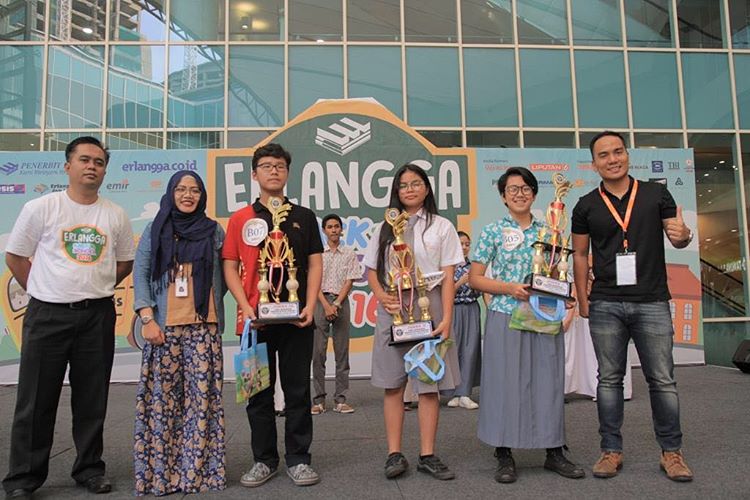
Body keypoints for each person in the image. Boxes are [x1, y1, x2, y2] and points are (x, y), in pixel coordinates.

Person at [2, 137, 135, 499]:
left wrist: (99, 284)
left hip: (97, 316)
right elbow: (15, 257)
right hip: (47, 315)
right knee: (35, 398)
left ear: (105, 169)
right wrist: (43, 288)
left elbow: (124, 263)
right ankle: (23, 478)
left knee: (92, 399)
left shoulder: (115, 214)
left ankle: (89, 469)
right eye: (85, 160)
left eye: (99, 162)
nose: (92, 166)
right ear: (68, 166)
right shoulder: (41, 207)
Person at [571, 130, 694, 482]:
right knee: (608, 380)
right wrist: (583, 300)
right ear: (594, 164)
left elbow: (679, 235)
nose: (613, 159)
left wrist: (683, 237)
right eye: (604, 155)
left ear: (627, 154)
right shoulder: (585, 205)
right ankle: (610, 451)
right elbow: (580, 254)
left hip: (652, 299)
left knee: (663, 380)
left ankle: (672, 452)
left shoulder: (656, 193)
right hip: (606, 301)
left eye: (618, 152)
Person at [469, 167, 584, 484]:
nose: (519, 194)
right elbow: (474, 277)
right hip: (506, 313)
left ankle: (554, 451)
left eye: (525, 188)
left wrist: (565, 296)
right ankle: (503, 452)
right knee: (503, 383)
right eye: (512, 189)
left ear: (534, 193)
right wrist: (509, 288)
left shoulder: (550, 231)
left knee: (548, 383)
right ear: (503, 196)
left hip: (544, 315)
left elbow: (558, 273)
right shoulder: (492, 231)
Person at [222, 143, 323, 488]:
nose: (274, 171)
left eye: (280, 165)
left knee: (297, 392)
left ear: (288, 172)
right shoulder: (240, 219)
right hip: (255, 323)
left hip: (297, 321)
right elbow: (230, 267)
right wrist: (246, 306)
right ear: (254, 174)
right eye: (266, 166)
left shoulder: (304, 217)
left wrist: (310, 305)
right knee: (258, 394)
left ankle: (298, 459)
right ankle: (263, 459)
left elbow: (313, 263)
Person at [363, 163, 464, 481]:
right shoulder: (384, 228)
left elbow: (448, 277)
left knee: (428, 384)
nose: (409, 189)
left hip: (428, 305)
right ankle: (394, 454)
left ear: (427, 188)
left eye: (416, 183)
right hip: (394, 305)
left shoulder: (442, 226)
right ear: (396, 191)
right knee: (393, 385)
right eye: (403, 185)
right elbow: (369, 268)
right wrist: (381, 294)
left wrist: (446, 317)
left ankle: (427, 454)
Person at [132, 171, 227, 495]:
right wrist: (147, 318)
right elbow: (141, 274)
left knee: (203, 405)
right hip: (163, 330)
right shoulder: (155, 229)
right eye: (182, 189)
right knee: (164, 405)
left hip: (204, 329)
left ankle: (197, 475)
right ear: (172, 192)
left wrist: (211, 305)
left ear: (202, 196)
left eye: (195, 190)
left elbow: (225, 276)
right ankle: (163, 475)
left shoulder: (214, 231)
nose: (188, 195)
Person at [311, 214, 362, 415]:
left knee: (342, 353)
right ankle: (319, 400)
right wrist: (325, 305)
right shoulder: (317, 254)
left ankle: (341, 399)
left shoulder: (349, 253)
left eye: (337, 226)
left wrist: (337, 303)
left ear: (342, 230)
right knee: (318, 353)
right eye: (330, 227)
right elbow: (313, 282)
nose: (333, 230)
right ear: (324, 230)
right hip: (320, 301)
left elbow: (350, 280)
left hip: (341, 302)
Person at [446, 231, 481, 410]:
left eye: (467, 244)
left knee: (470, 350)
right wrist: (461, 281)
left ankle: (465, 393)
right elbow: (445, 291)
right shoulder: (448, 266)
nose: (465, 247)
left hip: (472, 308)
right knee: (454, 349)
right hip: (454, 310)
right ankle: (453, 392)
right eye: (461, 244)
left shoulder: (474, 266)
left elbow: (481, 288)